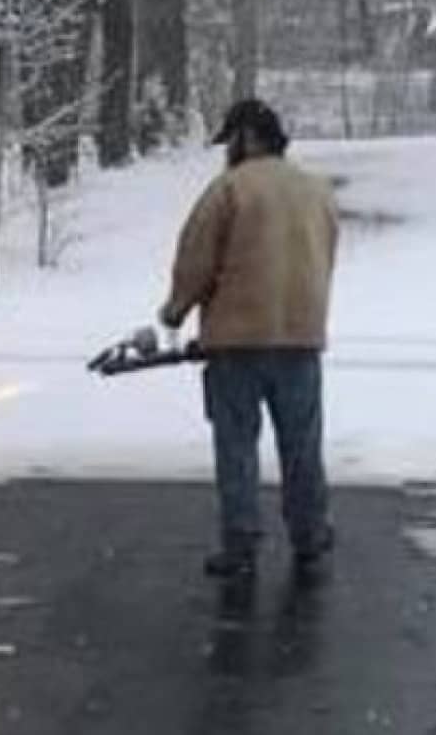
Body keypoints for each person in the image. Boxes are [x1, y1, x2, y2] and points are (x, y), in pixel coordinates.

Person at [158, 98, 339, 579]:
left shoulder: (228, 191)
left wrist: (176, 311)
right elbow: (325, 256)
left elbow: (195, 261)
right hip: (301, 339)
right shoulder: (315, 190)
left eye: (230, 141)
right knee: (302, 444)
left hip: (236, 344)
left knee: (236, 445)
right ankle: (310, 532)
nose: (227, 152)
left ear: (246, 137)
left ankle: (240, 541)